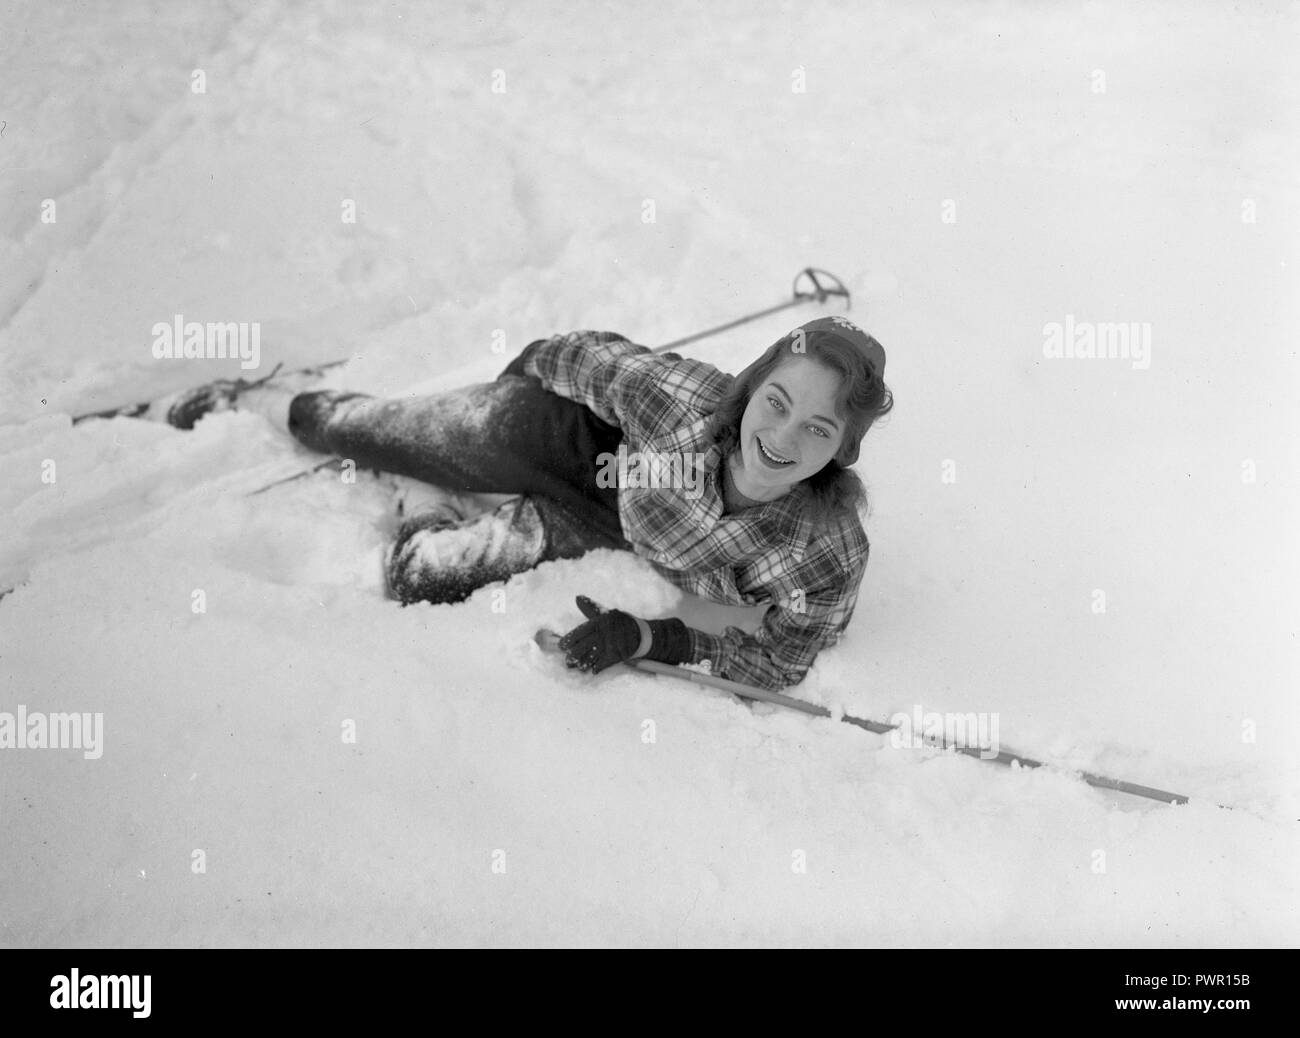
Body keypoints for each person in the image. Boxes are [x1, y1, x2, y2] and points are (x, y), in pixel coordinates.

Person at [166, 317, 893, 690]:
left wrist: (650, 638)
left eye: (819, 428)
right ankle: (266, 398)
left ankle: (425, 492)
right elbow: (581, 354)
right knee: (369, 433)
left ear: (843, 451)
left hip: (603, 521)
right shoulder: (685, 402)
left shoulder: (825, 552)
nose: (782, 435)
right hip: (572, 445)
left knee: (421, 579)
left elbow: (778, 660)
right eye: (777, 401)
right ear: (750, 389)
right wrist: (502, 403)